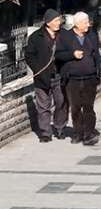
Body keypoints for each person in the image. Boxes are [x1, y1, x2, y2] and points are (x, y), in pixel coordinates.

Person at [54, 11, 101, 145]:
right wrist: (72, 54)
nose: (88, 25)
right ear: (77, 24)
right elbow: (58, 55)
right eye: (85, 22)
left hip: (90, 77)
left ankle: (89, 133)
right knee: (75, 107)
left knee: (88, 107)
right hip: (72, 78)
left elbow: (96, 55)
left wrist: (98, 73)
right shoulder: (65, 37)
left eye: (88, 22)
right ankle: (77, 133)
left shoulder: (92, 35)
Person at [24, 9, 67, 143]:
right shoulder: (36, 37)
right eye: (55, 20)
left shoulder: (64, 35)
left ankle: (60, 128)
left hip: (60, 75)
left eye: (59, 20)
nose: (58, 22)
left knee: (61, 103)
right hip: (42, 76)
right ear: (48, 22)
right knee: (43, 106)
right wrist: (38, 70)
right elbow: (29, 55)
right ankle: (45, 133)